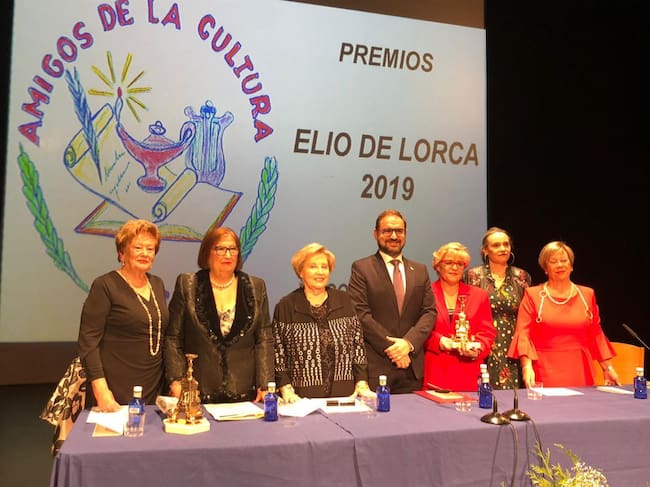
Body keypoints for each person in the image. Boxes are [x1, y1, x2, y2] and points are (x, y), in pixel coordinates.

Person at [163, 226, 274, 403]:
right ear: (207, 252)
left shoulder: (256, 286)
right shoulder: (188, 284)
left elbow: (264, 338)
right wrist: (177, 381)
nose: (228, 255)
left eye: (232, 249)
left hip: (244, 394)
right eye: (220, 249)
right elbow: (173, 338)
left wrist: (266, 384)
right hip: (197, 392)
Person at [78, 219, 169, 411]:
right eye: (138, 247)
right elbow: (89, 341)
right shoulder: (105, 285)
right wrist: (102, 392)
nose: (145, 253)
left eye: (150, 249)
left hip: (153, 387)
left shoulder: (157, 284)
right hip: (114, 389)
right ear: (122, 253)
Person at [507, 241, 621, 387]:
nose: (560, 265)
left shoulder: (587, 294)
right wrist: (526, 367)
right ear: (545, 268)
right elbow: (523, 334)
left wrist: (608, 368)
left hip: (580, 369)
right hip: (544, 369)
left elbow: (596, 334)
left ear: (571, 265)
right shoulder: (533, 295)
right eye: (553, 262)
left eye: (564, 260)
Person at [348, 209, 436, 393]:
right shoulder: (362, 268)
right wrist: (394, 349)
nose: (394, 236)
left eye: (399, 231)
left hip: (411, 367)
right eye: (387, 231)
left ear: (405, 234)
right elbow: (360, 314)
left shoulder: (420, 270)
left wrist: (408, 344)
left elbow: (429, 312)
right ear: (376, 234)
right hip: (377, 367)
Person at [272, 243, 374, 402]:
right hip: (301, 399)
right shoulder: (286, 306)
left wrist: (362, 383)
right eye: (313, 266)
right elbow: (278, 353)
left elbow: (358, 346)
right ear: (301, 272)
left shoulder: (345, 301)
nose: (320, 272)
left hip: (344, 396)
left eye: (324, 267)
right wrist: (286, 389)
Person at [464, 227, 531, 389]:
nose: (502, 249)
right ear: (485, 250)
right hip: (482, 344)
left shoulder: (521, 276)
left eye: (506, 244)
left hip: (512, 347)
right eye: (496, 245)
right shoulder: (472, 276)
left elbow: (527, 315)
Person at [424, 242, 496, 391]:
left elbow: (487, 333)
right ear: (438, 266)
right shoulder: (425, 293)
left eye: (460, 264)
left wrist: (477, 348)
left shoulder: (479, 295)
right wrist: (439, 341)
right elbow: (417, 330)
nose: (455, 268)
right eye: (449, 262)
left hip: (468, 373)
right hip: (435, 373)